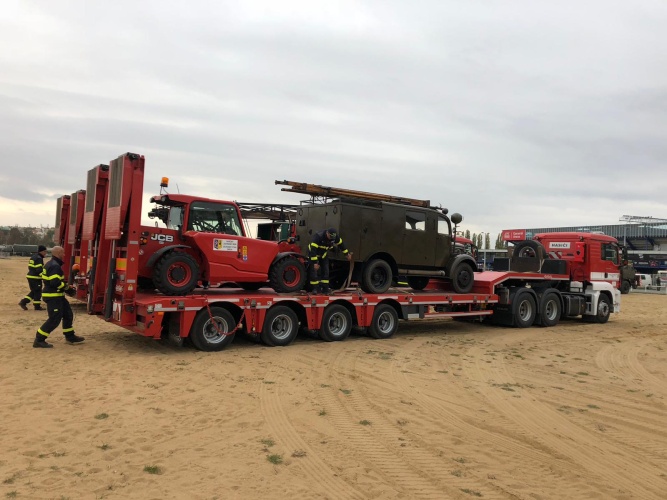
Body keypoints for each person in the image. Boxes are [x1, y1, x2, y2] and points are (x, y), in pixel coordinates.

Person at [33, 246, 85, 348]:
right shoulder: (54, 266)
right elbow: (55, 282)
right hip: (53, 296)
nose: (64, 255)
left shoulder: (52, 264)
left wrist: (66, 287)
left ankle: (70, 336)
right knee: (54, 319)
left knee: (68, 315)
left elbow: (55, 281)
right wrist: (67, 289)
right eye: (63, 253)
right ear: (58, 253)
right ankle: (39, 339)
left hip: (58, 296)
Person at [308, 228, 352, 294]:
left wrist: (346, 254)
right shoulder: (318, 236)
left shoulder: (335, 237)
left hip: (323, 254)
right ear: (327, 233)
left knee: (326, 271)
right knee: (314, 272)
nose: (331, 239)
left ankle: (325, 289)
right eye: (330, 237)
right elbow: (313, 250)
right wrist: (315, 263)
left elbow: (341, 244)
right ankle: (315, 289)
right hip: (314, 254)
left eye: (333, 238)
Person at [19, 245, 48, 311]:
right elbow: (39, 270)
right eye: (45, 251)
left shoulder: (34, 257)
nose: (46, 253)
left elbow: (30, 267)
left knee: (34, 291)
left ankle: (23, 302)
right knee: (38, 291)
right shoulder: (39, 258)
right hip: (35, 278)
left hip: (31, 276)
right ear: (42, 251)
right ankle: (37, 306)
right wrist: (44, 277)